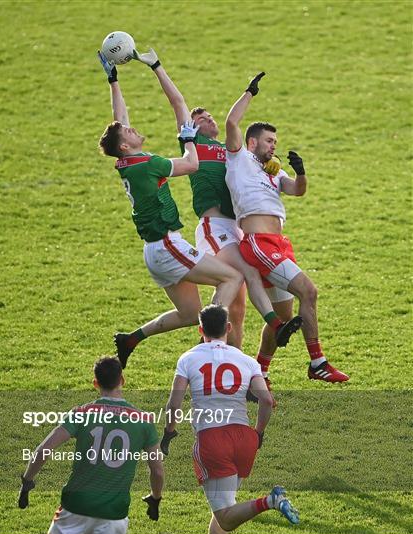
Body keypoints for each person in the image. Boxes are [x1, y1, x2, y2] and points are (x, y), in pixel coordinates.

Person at [130, 47, 302, 356]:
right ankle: (259, 329)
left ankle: (229, 360)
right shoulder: (193, 144)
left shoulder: (234, 151)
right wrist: (156, 65)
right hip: (213, 225)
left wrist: (274, 166)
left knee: (237, 303)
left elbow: (262, 169)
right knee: (242, 279)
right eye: (201, 118)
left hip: (237, 228)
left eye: (209, 116)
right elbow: (177, 102)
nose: (207, 119)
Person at [97, 51, 244, 368]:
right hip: (166, 245)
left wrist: (114, 80)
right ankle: (211, 350)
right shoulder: (149, 164)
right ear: (125, 145)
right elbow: (192, 164)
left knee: (191, 314)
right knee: (231, 279)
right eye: (129, 133)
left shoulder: (127, 163)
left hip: (153, 252)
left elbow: (119, 121)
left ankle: (132, 338)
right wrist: (189, 139)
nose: (133, 129)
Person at [224, 72, 350, 384]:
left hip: (278, 243)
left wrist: (301, 172)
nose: (273, 146)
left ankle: (260, 373)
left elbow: (297, 190)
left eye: (275, 142)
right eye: (269, 141)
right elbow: (231, 124)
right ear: (252, 142)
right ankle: (317, 362)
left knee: (281, 316)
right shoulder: (239, 158)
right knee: (309, 290)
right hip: (259, 243)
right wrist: (250, 92)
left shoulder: (273, 172)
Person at [160, 304, 299, 534]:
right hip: (244, 438)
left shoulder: (188, 358)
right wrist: (259, 433)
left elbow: (174, 405)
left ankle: (270, 501)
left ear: (200, 330)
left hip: (213, 439)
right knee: (223, 509)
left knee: (225, 516)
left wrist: (169, 431)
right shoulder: (246, 360)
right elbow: (266, 400)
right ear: (229, 328)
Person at [18, 356, 164, 534]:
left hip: (75, 506)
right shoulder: (144, 421)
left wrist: (27, 482)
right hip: (114, 512)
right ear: (122, 380)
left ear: (95, 383)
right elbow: (157, 471)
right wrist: (155, 498)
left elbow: (44, 450)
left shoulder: (82, 414)